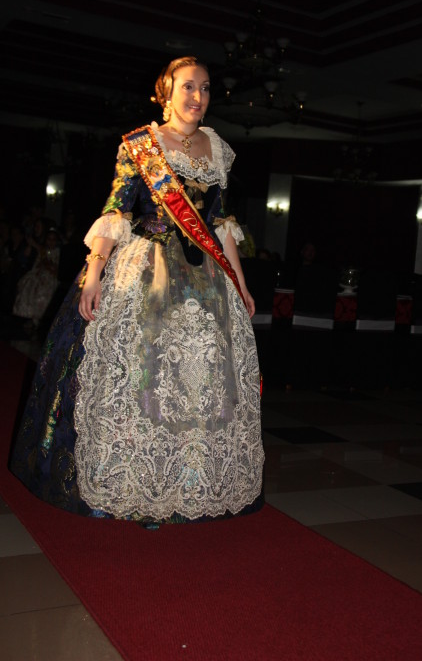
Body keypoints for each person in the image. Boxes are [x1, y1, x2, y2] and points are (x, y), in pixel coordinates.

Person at [9, 56, 265, 527]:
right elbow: (117, 211)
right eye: (188, 87)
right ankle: (135, 479)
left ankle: (190, 480)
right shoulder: (140, 145)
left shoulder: (218, 148)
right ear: (166, 91)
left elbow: (221, 223)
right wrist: (93, 274)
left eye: (206, 88)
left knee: (203, 380)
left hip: (207, 279)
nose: (199, 97)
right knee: (142, 372)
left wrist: (241, 283)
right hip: (147, 270)